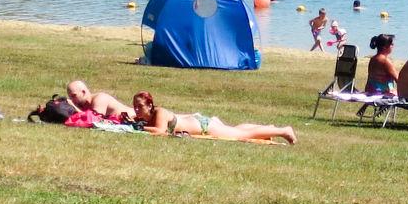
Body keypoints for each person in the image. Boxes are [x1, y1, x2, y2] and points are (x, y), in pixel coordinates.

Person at [130, 91, 296, 144]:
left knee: (240, 135)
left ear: (150, 105)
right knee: (235, 130)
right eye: (135, 106)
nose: (136, 110)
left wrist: (139, 127)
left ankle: (283, 130)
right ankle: (268, 128)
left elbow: (160, 131)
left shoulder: (159, 112)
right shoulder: (149, 116)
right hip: (199, 122)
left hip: (204, 127)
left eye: (140, 106)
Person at [66, 79, 136, 123]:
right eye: (70, 97)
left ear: (83, 92)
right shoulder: (83, 105)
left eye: (74, 96)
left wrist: (74, 107)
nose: (72, 100)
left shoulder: (100, 98)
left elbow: (95, 120)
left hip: (135, 117)